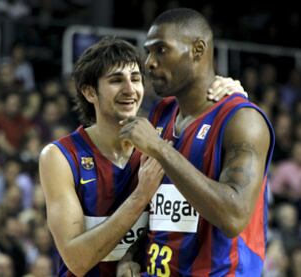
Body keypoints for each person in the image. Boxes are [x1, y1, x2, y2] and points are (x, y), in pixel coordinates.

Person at [39, 37, 244, 276]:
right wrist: (140, 196)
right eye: (116, 80)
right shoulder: (60, 156)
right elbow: (77, 260)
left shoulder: (158, 143)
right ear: (89, 92)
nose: (130, 89)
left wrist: (228, 94)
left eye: (135, 79)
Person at [118, 8, 275, 276]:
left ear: (197, 50)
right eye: (149, 51)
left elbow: (234, 216)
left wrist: (160, 149)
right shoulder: (161, 113)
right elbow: (154, 205)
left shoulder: (243, 120)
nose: (149, 62)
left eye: (161, 50)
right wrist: (130, 255)